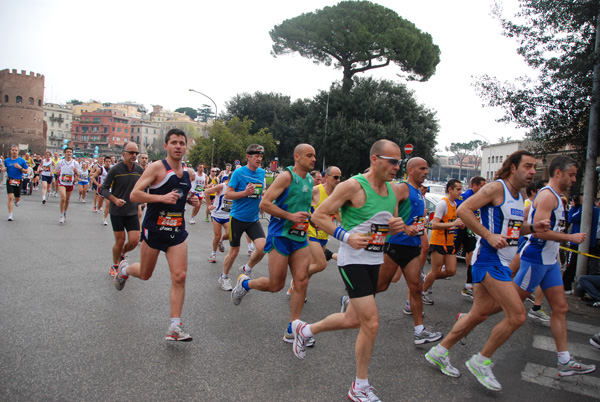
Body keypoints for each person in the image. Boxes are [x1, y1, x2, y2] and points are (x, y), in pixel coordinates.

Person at [290, 140, 405, 402]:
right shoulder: (353, 185)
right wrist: (346, 236)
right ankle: (359, 386)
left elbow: (389, 222)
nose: (397, 167)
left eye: (400, 162)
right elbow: (319, 216)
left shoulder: (392, 191)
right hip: (352, 260)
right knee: (372, 323)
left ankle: (305, 331)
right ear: (375, 159)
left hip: (374, 260)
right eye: (392, 161)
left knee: (354, 320)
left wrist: (396, 225)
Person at [425, 150, 550, 391]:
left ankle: (439, 352)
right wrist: (489, 235)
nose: (533, 171)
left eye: (535, 166)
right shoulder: (496, 188)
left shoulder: (518, 195)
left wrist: (533, 226)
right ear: (513, 167)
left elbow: (512, 230)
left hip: (501, 261)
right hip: (489, 260)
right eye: (528, 166)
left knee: (479, 314)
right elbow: (464, 210)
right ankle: (481, 360)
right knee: (517, 315)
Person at [114, 128, 199, 341]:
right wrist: (161, 199)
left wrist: (191, 200)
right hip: (154, 229)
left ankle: (175, 327)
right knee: (145, 273)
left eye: (182, 143)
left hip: (177, 231)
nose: (178, 146)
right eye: (174, 142)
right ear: (166, 146)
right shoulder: (156, 168)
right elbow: (135, 194)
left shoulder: (188, 174)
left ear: (186, 146)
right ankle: (124, 269)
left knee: (180, 276)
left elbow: (181, 195)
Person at [514, 156, 596, 376]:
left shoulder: (558, 198)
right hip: (536, 259)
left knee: (560, 308)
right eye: (571, 174)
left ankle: (564, 360)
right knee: (508, 305)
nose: (574, 179)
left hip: (549, 263)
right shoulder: (548, 197)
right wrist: (570, 237)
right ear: (558, 172)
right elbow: (539, 231)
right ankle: (470, 321)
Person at [231, 144, 316, 348]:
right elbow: (265, 204)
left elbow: (301, 207)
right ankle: (245, 283)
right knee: (276, 285)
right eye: (309, 155)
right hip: (280, 234)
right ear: (297, 157)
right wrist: (289, 216)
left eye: (315, 156)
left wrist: (311, 219)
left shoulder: (311, 179)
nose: (314, 159)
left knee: (301, 281)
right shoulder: (286, 177)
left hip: (300, 236)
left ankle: (292, 328)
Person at [375, 157, 443, 345]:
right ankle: (352, 299)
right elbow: (388, 210)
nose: (426, 172)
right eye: (422, 168)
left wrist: (421, 236)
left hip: (412, 246)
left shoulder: (420, 193)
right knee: (381, 286)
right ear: (411, 170)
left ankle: (419, 331)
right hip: (396, 244)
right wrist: (404, 227)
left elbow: (417, 220)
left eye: (427, 169)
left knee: (416, 288)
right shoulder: (402, 188)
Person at [287, 166, 341, 299]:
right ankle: (297, 279)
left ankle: (297, 285)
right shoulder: (316, 190)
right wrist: (308, 218)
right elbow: (299, 201)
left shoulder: (337, 195)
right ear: (326, 178)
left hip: (324, 235)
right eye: (335, 177)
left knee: (312, 267)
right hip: (310, 233)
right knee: (321, 264)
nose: (338, 180)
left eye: (340, 177)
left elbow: (338, 214)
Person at [219, 144, 267, 287]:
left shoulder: (262, 173)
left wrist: (262, 202)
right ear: (248, 157)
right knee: (234, 252)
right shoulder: (239, 173)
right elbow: (227, 194)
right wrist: (244, 193)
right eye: (256, 156)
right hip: (237, 218)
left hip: (253, 219)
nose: (259, 159)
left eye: (261, 156)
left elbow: (261, 191)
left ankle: (247, 268)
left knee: (263, 247)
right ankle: (224, 277)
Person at [101, 142, 144, 277]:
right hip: (117, 211)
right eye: (131, 153)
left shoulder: (139, 170)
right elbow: (103, 189)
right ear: (123, 153)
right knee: (119, 241)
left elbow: (143, 188)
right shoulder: (115, 170)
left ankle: (121, 254)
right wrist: (114, 200)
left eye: (136, 153)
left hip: (132, 210)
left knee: (134, 240)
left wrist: (138, 204)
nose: (134, 155)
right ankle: (115, 264)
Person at [422, 179, 465, 301]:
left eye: (461, 189)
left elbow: (449, 223)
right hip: (439, 241)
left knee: (451, 271)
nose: (460, 192)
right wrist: (454, 223)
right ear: (450, 189)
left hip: (449, 242)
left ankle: (427, 279)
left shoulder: (454, 204)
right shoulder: (443, 203)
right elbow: (434, 224)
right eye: (458, 189)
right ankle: (422, 291)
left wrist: (458, 224)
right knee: (436, 270)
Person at [454, 176, 486, 298]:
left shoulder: (481, 197)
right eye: (482, 186)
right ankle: (431, 278)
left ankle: (468, 285)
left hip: (469, 230)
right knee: (450, 257)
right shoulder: (467, 195)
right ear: (474, 186)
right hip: (461, 228)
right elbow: (458, 209)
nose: (484, 188)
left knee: (472, 253)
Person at [563, 194, 600, 293]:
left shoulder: (585, 208)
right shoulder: (596, 209)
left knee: (571, 265)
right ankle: (582, 289)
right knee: (586, 265)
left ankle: (566, 286)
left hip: (577, 241)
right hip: (589, 242)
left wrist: (573, 207)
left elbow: (571, 219)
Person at [54, 147, 81, 224]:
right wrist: (57, 172)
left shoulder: (75, 163)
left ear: (72, 154)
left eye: (70, 152)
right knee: (63, 197)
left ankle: (65, 211)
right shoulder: (61, 162)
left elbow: (79, 174)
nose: (69, 153)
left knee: (67, 199)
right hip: (62, 182)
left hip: (70, 182)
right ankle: (61, 215)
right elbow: (56, 170)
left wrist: (76, 172)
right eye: (67, 152)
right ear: (65, 153)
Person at [2, 145, 28, 221]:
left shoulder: (21, 161)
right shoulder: (7, 160)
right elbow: (4, 168)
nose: (14, 151)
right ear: (11, 151)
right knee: (10, 197)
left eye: (16, 150)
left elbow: (26, 171)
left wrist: (20, 167)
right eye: (13, 150)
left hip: (18, 180)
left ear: (18, 152)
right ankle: (10, 215)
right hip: (10, 180)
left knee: (17, 198)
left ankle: (17, 201)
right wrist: (4, 169)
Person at [90, 156, 112, 224]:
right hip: (101, 189)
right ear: (104, 162)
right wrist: (97, 184)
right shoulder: (100, 169)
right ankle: (98, 206)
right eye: (106, 161)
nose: (108, 163)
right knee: (100, 205)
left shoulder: (113, 169)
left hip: (109, 189)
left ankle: (104, 219)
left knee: (108, 204)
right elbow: (92, 177)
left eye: (109, 162)